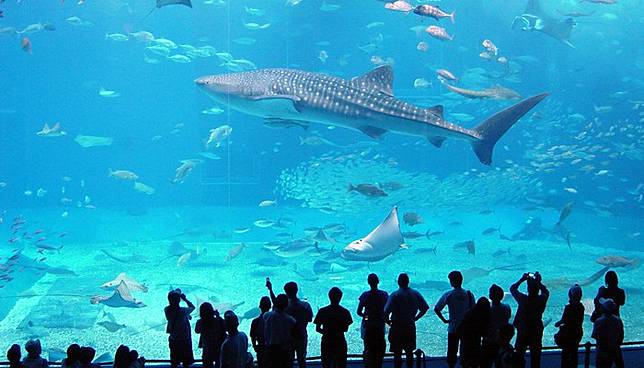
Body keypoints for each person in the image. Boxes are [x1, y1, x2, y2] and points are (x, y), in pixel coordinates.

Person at [384, 273, 430, 368]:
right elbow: (425, 308)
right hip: (409, 326)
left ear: (398, 282)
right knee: (409, 353)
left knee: (397, 354)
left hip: (397, 327)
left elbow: (385, 312)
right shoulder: (415, 293)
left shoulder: (394, 295)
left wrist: (389, 322)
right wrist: (415, 318)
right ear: (408, 282)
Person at [266, 279, 313, 368]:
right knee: (302, 359)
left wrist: (270, 290)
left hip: (287, 337)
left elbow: (276, 304)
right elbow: (310, 319)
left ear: (286, 292)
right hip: (302, 336)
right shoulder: (305, 305)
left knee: (288, 361)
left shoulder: (285, 307)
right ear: (297, 290)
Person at [434, 271, 476, 368]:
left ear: (452, 281)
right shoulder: (469, 294)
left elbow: (437, 309)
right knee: (465, 351)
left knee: (452, 352)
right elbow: (473, 310)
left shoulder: (448, 294)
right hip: (467, 329)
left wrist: (444, 320)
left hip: (453, 328)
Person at [510, 272, 549, 368]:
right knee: (535, 357)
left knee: (519, 356)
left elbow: (513, 288)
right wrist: (539, 282)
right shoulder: (541, 299)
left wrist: (522, 279)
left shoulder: (523, 299)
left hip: (523, 330)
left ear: (528, 288)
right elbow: (546, 292)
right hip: (536, 330)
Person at [314, 287, 353, 368]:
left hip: (326, 341)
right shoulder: (345, 312)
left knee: (326, 364)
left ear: (329, 296)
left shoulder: (322, 311)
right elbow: (346, 329)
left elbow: (317, 329)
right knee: (341, 364)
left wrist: (327, 333)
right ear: (340, 297)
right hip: (340, 340)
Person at [357, 273, 389, 368]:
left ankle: (367, 365)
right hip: (379, 325)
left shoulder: (364, 295)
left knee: (367, 347)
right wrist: (383, 318)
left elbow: (359, 312)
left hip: (368, 325)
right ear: (378, 281)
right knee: (380, 347)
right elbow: (387, 309)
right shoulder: (384, 295)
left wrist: (366, 316)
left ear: (368, 282)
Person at [481, 284, 512, 368]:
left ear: (491, 296)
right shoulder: (507, 307)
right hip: (503, 340)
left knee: (486, 364)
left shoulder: (488, 310)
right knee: (500, 363)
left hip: (489, 341)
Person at [554, 284, 584, 368]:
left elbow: (564, 320)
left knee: (565, 354)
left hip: (568, 335)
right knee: (574, 353)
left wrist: (558, 323)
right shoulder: (581, 307)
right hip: (577, 333)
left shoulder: (568, 308)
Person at [165, 288, 196, 368]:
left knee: (174, 361)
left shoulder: (167, 310)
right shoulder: (183, 311)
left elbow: (175, 312)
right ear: (179, 300)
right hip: (184, 339)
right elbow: (192, 307)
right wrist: (185, 299)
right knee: (186, 361)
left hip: (173, 338)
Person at [264, 293, 296, 368]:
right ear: (287, 304)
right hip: (283, 350)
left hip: (270, 349)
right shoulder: (290, 320)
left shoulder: (266, 315)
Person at [457, 297, 490, 368]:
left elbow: (461, 327)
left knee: (466, 359)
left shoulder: (470, 312)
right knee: (473, 360)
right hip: (473, 340)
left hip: (467, 339)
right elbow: (484, 331)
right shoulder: (482, 315)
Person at [592, 299, 624, 368]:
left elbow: (595, 336)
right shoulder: (618, 320)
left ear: (603, 308)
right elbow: (621, 336)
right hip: (616, 350)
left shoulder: (598, 321)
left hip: (603, 352)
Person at [195, 302, 227, 368]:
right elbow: (225, 327)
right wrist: (218, 316)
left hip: (207, 349)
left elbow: (197, 331)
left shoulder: (200, 322)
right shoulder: (217, 321)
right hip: (218, 348)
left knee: (207, 365)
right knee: (218, 364)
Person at [250, 296, 272, 368]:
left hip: (261, 348)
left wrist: (255, 346)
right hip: (273, 348)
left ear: (259, 306)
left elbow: (252, 336)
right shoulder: (274, 320)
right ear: (270, 306)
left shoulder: (255, 321)